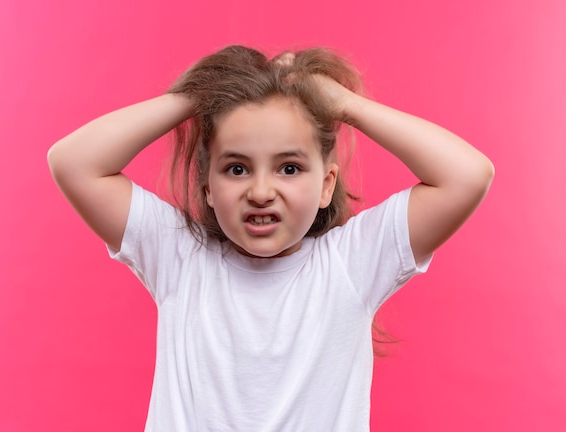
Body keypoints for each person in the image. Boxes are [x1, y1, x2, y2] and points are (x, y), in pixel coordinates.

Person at [48, 45, 494, 431]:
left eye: (289, 168)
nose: (261, 192)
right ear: (207, 185)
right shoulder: (180, 257)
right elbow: (74, 162)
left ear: (326, 185)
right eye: (236, 168)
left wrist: (342, 103)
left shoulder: (350, 264)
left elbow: (466, 175)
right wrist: (196, 96)